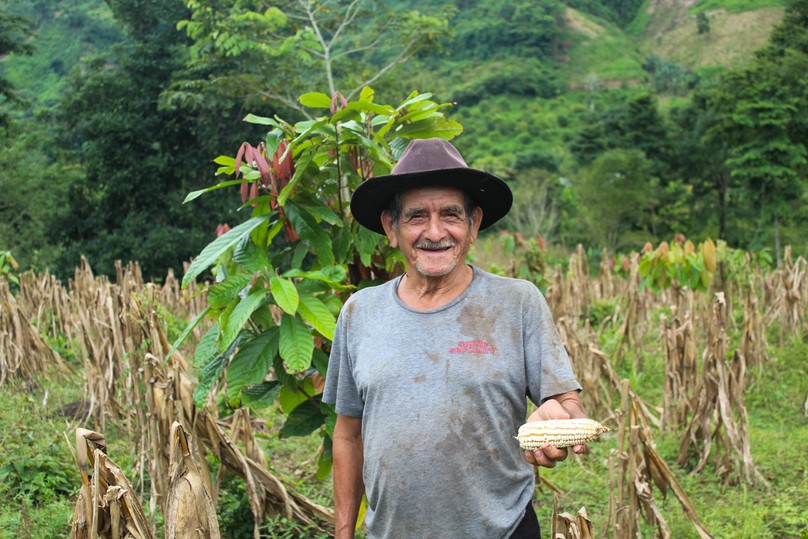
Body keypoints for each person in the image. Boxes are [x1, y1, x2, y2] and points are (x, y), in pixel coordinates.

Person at [323, 138, 586, 539]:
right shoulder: (360, 312)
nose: (435, 232)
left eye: (451, 214)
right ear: (391, 228)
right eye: (415, 217)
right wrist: (343, 534)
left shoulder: (517, 302)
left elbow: (567, 403)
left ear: (473, 224)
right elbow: (348, 434)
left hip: (503, 531)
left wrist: (557, 415)